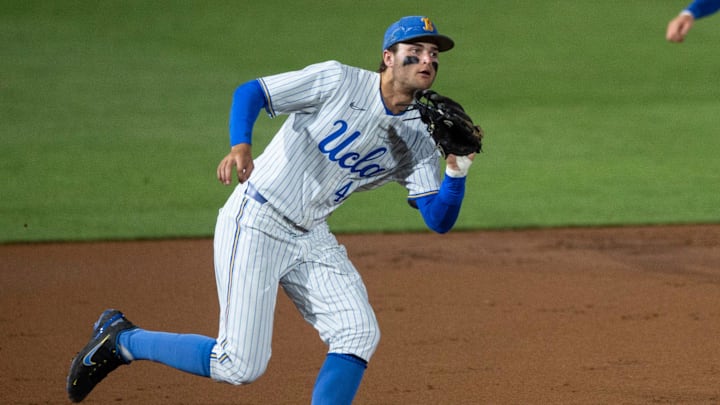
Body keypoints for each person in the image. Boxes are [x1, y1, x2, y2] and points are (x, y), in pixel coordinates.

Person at [67, 15, 476, 404]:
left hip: (311, 234)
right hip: (257, 219)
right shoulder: (338, 80)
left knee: (357, 332)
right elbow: (253, 92)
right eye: (417, 50)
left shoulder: (422, 135)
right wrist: (241, 145)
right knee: (239, 364)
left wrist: (456, 171)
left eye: (434, 55)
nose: (428, 60)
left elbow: (437, 220)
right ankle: (121, 340)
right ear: (388, 56)